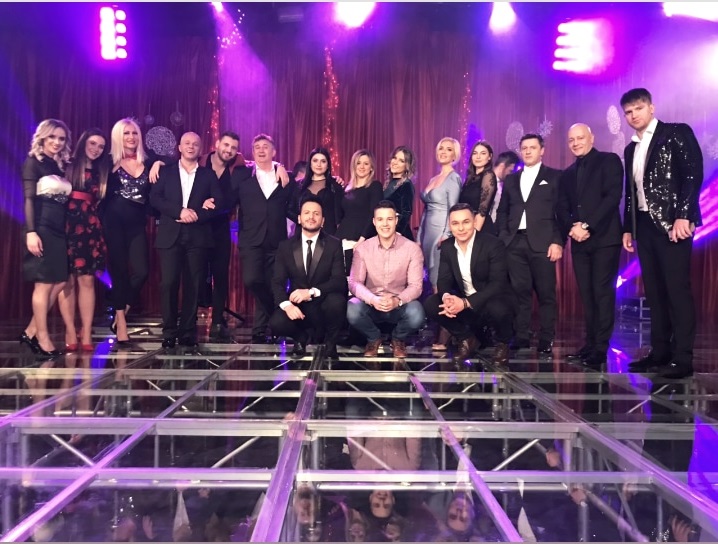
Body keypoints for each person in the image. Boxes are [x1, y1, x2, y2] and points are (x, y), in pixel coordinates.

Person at [621, 88, 703, 379]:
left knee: (676, 290)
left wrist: (684, 215)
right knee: (654, 292)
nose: (633, 115)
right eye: (628, 112)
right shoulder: (630, 149)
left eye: (638, 108)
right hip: (644, 225)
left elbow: (692, 174)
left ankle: (683, 358)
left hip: (672, 223)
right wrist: (628, 228)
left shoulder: (675, 133)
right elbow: (631, 192)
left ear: (651, 108)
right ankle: (660, 353)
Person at [150, 132, 225, 349]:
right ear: (180, 147)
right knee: (169, 283)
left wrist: (197, 214)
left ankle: (187, 332)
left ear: (200, 149)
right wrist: (179, 211)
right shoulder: (166, 171)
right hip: (170, 234)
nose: (191, 147)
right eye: (187, 143)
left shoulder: (208, 175)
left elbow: (218, 202)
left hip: (198, 235)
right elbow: (155, 198)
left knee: (194, 284)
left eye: (195, 144)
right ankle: (169, 331)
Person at [557, 123, 624, 368]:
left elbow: (612, 198)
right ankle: (590, 343)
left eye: (580, 138)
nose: (575, 143)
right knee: (587, 294)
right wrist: (572, 228)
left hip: (605, 238)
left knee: (602, 293)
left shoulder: (609, 160)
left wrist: (587, 226)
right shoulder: (567, 173)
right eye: (571, 140)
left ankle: (600, 347)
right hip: (579, 241)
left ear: (591, 137)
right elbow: (561, 206)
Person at [496, 133, 563, 356]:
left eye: (532, 147)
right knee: (519, 292)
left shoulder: (554, 176)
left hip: (543, 243)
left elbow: (561, 213)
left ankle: (546, 337)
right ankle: (522, 335)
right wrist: (504, 237)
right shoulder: (511, 179)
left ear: (542, 150)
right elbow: (503, 211)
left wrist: (557, 241)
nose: (527, 151)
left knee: (546, 293)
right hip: (514, 243)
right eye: (524, 147)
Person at [424, 204, 513, 365]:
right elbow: (443, 280)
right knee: (432, 304)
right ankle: (467, 339)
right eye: (455, 223)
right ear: (450, 225)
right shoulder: (448, 246)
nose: (461, 228)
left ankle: (502, 344)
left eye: (465, 222)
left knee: (499, 306)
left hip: (489, 301)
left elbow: (497, 284)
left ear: (474, 222)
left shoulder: (493, 244)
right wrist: (447, 298)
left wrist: (465, 303)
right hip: (465, 306)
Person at [231, 133, 296, 344]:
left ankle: (261, 330)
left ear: (273, 151)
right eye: (257, 146)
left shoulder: (286, 177)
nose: (261, 150)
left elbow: (294, 206)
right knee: (252, 280)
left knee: (272, 283)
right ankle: (277, 315)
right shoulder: (242, 175)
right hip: (251, 239)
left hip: (277, 241)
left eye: (265, 146)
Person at [19, 119, 73, 359]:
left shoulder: (58, 165)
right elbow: (29, 199)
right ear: (42, 137)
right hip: (41, 227)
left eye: (61, 138)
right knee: (43, 284)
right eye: (52, 137)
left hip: (59, 230)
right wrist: (32, 232)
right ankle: (42, 338)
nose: (57, 142)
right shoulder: (33, 163)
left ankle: (31, 330)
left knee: (60, 281)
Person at [269, 195, 347, 360]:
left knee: (337, 301)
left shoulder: (334, 244)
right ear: (299, 218)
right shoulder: (285, 247)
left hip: (323, 302)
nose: (311, 217)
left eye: (316, 213)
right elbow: (277, 282)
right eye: (307, 213)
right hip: (299, 306)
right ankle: (301, 338)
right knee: (276, 322)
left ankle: (330, 343)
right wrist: (287, 306)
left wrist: (311, 292)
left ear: (323, 220)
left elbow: (339, 281)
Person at [347, 200, 425, 359]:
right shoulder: (363, 249)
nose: (385, 224)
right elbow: (354, 283)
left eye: (389, 219)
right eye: (380, 219)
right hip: (371, 304)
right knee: (351, 308)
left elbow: (416, 286)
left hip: (399, 304)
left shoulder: (412, 249)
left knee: (417, 313)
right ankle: (374, 338)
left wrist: (397, 300)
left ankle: (398, 339)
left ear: (396, 220)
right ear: (374, 222)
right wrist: (373, 299)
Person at [57, 128, 109, 353]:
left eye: (101, 146)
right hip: (64, 226)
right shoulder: (66, 165)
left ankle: (86, 331)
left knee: (87, 281)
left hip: (90, 228)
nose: (96, 149)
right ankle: (70, 330)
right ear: (83, 143)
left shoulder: (102, 171)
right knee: (66, 281)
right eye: (93, 143)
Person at [101, 118, 153, 345]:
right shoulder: (108, 162)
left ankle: (120, 307)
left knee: (142, 271)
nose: (131, 137)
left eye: (134, 133)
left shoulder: (148, 162)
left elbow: (171, 164)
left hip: (137, 223)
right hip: (113, 222)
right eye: (126, 133)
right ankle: (121, 321)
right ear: (118, 137)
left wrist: (159, 165)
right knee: (120, 271)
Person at [418, 137, 463, 290]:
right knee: (430, 277)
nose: (443, 152)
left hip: (441, 232)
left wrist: (447, 234)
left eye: (449, 149)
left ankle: (440, 304)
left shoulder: (454, 178)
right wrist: (419, 236)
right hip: (427, 232)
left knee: (437, 276)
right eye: (441, 148)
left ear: (454, 155)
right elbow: (426, 209)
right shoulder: (433, 178)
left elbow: (453, 209)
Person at [336, 149, 384, 274]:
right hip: (342, 239)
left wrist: (362, 240)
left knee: (358, 278)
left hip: (361, 240)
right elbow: (341, 215)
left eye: (366, 163)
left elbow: (374, 213)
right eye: (358, 163)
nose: (362, 167)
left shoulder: (375, 186)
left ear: (371, 167)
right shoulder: (346, 189)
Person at [289, 147, 344, 236]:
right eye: (315, 161)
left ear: (328, 165)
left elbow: (341, 213)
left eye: (323, 161)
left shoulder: (335, 185)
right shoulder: (299, 185)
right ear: (310, 164)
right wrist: (302, 220)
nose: (319, 164)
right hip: (303, 234)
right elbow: (289, 209)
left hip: (328, 235)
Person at [459, 140, 499, 235]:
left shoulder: (488, 175)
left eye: (483, 153)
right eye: (475, 153)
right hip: (467, 226)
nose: (478, 157)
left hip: (480, 228)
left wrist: (473, 235)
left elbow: (482, 211)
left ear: (489, 157)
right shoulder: (470, 178)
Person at [383, 146, 417, 241]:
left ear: (407, 166)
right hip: (388, 231)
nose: (395, 162)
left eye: (401, 161)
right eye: (395, 158)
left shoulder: (406, 184)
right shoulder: (389, 183)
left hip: (398, 235)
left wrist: (397, 233)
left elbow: (406, 212)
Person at [488, 150, 520, 226]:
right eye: (510, 171)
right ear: (502, 166)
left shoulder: (504, 185)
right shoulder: (487, 182)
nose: (512, 175)